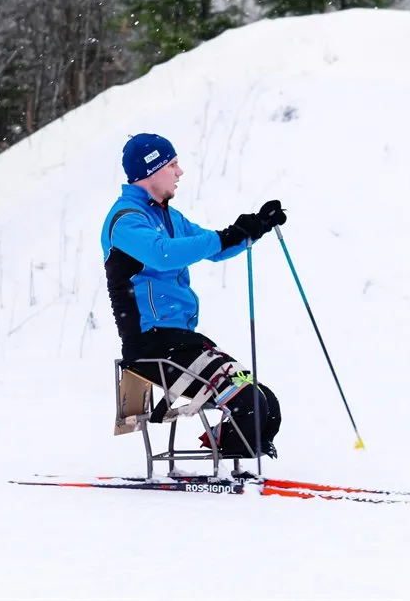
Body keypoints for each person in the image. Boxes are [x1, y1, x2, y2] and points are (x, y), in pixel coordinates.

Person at [100, 132, 286, 461]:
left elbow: (214, 248)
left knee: (265, 403)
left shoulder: (169, 218)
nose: (180, 171)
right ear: (150, 171)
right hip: (150, 344)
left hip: (182, 341)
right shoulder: (126, 220)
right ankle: (226, 469)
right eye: (172, 165)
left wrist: (256, 227)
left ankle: (237, 460)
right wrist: (224, 237)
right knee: (249, 404)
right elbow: (162, 254)